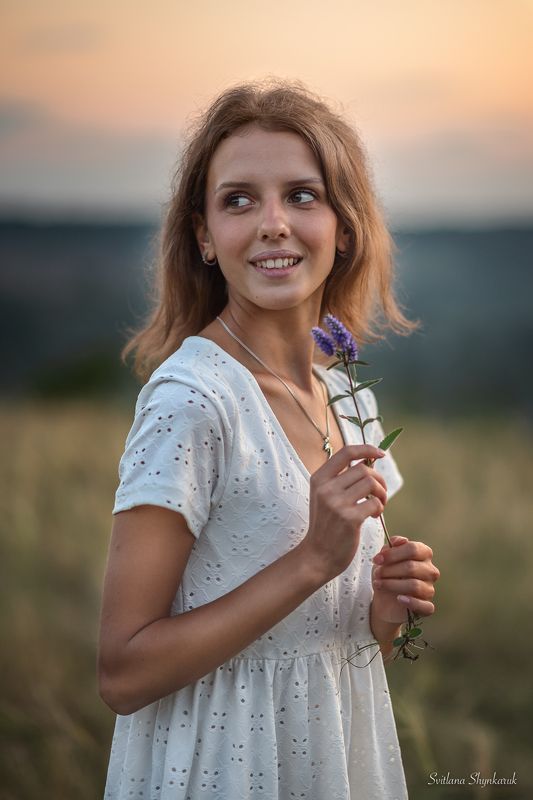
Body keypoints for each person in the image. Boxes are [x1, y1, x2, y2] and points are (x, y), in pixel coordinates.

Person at [98, 79, 440, 800]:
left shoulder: (348, 396)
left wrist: (379, 613)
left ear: (344, 227)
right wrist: (313, 560)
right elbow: (123, 674)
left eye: (302, 195)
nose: (272, 223)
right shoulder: (192, 400)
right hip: (222, 769)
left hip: (332, 759)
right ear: (203, 235)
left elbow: (330, 640)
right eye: (239, 199)